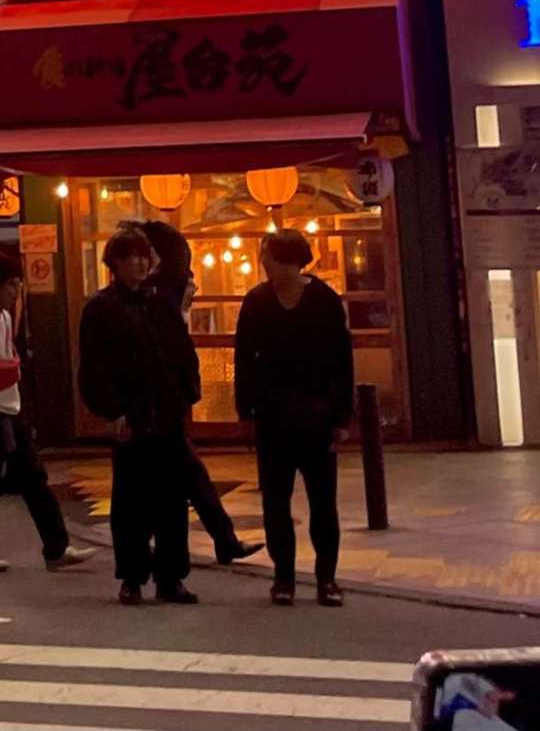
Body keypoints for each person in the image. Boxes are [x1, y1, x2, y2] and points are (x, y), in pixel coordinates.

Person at [77, 225, 202, 606]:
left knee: (172, 500)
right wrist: (110, 412)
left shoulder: (158, 302)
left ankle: (171, 577)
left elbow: (180, 350)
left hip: (166, 412)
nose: (141, 264)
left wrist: (187, 394)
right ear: (115, 262)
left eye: (144, 257)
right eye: (133, 257)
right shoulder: (100, 308)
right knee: (131, 501)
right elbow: (94, 367)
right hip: (130, 416)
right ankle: (132, 576)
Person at [235, 228, 355, 607]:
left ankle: (326, 578)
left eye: (268, 255)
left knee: (323, 503)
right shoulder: (256, 301)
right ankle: (283, 577)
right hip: (272, 418)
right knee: (275, 502)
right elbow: (244, 360)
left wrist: (343, 418)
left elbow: (342, 361)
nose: (263, 262)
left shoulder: (324, 300)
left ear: (288, 259)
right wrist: (245, 412)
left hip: (318, 416)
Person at [0, 255, 90, 574]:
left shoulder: (3, 317)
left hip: (10, 410)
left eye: (17, 284)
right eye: (10, 285)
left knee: (30, 479)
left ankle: (55, 547)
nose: (15, 291)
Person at [141, 219, 257, 569]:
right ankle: (212, 544)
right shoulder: (154, 295)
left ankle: (220, 542)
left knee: (183, 475)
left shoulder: (158, 291)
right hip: (156, 403)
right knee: (176, 476)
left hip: (165, 401)